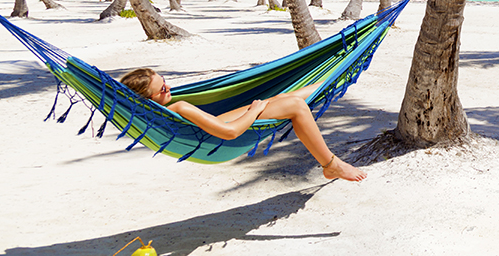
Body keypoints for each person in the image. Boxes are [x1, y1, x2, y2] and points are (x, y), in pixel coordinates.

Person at [119, 68, 365, 182]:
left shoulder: (160, 111)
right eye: (162, 89)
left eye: (166, 81)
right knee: (297, 107)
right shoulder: (179, 107)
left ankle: (336, 76)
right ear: (146, 99)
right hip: (219, 134)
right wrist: (255, 110)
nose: (169, 88)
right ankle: (331, 165)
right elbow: (231, 132)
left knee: (283, 99)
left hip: (219, 123)